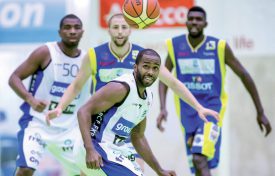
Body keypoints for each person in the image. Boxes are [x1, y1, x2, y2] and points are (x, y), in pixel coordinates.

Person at [46, 13, 220, 174]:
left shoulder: (145, 61)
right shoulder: (97, 56)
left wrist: (198, 107)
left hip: (122, 138)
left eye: (124, 27)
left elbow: (173, 83)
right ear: (109, 30)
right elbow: (76, 86)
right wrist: (61, 107)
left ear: (130, 29)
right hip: (97, 134)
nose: (120, 32)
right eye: (115, 27)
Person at [157, 6, 272, 176]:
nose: (194, 22)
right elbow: (164, 78)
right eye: (191, 18)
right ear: (186, 22)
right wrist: (162, 108)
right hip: (187, 113)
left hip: (211, 111)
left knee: (199, 158)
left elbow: (244, 75)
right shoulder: (175, 46)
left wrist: (260, 111)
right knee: (198, 164)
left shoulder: (219, 46)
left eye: (198, 19)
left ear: (205, 23)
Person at [9, 14, 87, 176]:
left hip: (69, 129)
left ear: (82, 32)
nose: (72, 31)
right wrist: (31, 100)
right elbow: (14, 78)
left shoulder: (88, 60)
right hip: (38, 123)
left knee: (84, 172)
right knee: (25, 170)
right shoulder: (46, 52)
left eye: (76, 28)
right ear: (59, 32)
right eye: (67, 27)